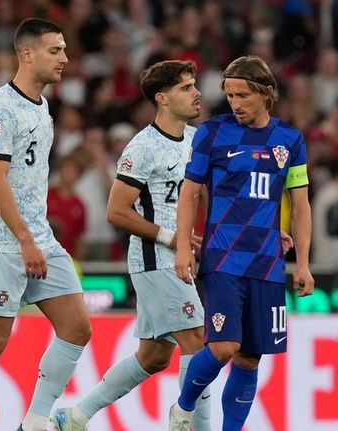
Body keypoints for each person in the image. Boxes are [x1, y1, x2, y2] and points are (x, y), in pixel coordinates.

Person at [51, 59, 212, 431]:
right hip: (157, 259)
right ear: (163, 99)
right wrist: (174, 238)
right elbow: (117, 211)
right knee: (198, 341)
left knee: (154, 356)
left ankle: (75, 416)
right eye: (186, 87)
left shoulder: (195, 139)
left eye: (194, 85)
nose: (196, 93)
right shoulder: (142, 148)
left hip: (182, 256)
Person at [169, 55, 314, 431]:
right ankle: (183, 408)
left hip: (267, 263)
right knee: (223, 347)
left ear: (266, 94)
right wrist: (184, 247)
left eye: (243, 95)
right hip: (223, 259)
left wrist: (302, 263)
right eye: (230, 95)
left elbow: (299, 204)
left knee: (250, 358)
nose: (235, 103)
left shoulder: (290, 141)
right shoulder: (212, 133)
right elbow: (190, 194)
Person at [0, 18, 92, 431]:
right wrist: (24, 239)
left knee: (77, 327)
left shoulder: (42, 106)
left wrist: (34, 239)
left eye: (65, 50)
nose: (65, 58)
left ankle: (34, 421)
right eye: (56, 50)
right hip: (1, 240)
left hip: (38, 237)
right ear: (28, 54)